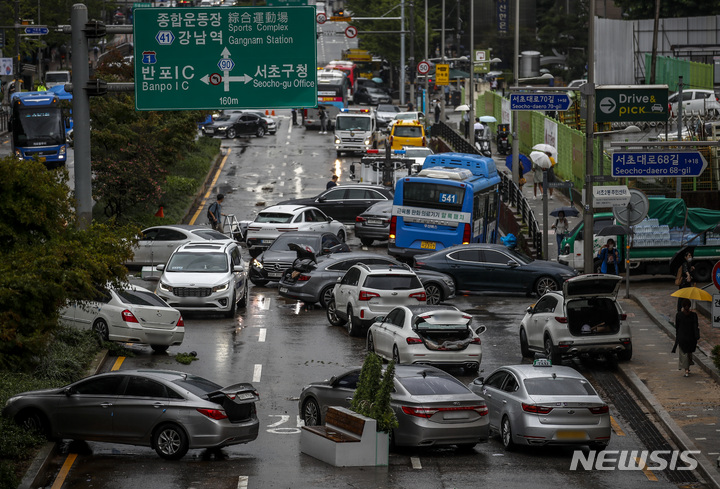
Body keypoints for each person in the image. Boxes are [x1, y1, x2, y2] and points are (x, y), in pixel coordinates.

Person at [673, 298, 699, 377]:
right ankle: (688, 367)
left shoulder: (679, 315)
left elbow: (677, 327)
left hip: (682, 337)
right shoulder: (694, 315)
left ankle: (686, 370)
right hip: (691, 338)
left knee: (683, 353)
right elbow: (696, 326)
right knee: (689, 353)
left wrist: (677, 335)